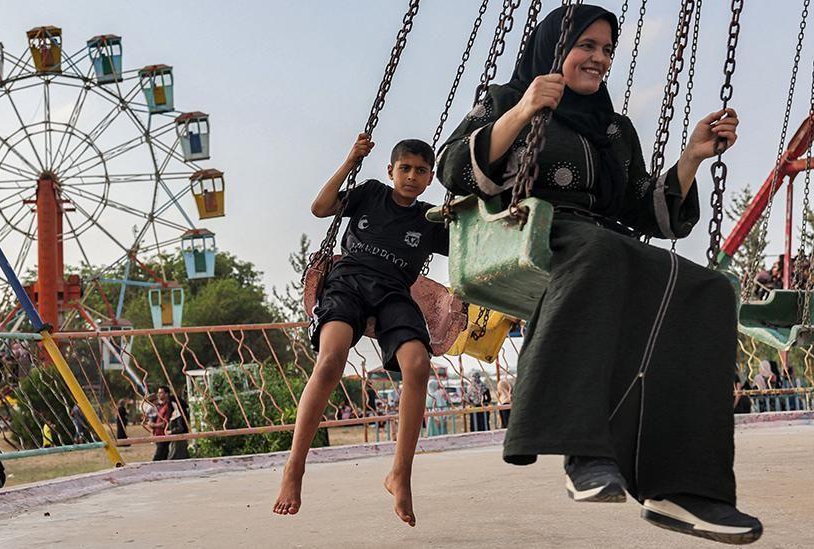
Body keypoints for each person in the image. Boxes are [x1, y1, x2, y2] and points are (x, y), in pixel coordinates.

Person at [436, 5, 760, 543]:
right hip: (533, 228)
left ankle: (684, 488)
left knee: (707, 289)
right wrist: (521, 112)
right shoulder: (501, 100)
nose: (599, 58)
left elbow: (644, 211)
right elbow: (452, 170)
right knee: (601, 252)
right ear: (553, 48)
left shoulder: (614, 129)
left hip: (603, 241)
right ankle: (583, 451)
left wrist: (692, 157)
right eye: (587, 45)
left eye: (607, 49)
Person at [274, 136, 450, 527]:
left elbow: (468, 244)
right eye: (404, 168)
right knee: (331, 361)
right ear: (390, 172)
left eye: (421, 171)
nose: (411, 176)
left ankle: (400, 473)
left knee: (418, 365)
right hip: (348, 283)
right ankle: (294, 467)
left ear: (430, 178)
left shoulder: (430, 219)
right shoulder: (370, 193)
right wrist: (351, 159)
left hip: (393, 294)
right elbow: (320, 208)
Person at [145, 387, 172, 461]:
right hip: (158, 435)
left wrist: (152, 425)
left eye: (161, 393)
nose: (159, 395)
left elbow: (164, 423)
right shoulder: (160, 406)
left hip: (163, 435)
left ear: (166, 394)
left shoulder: (168, 406)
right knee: (163, 458)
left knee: (157, 458)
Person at [166, 396, 190, 460]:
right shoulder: (175, 414)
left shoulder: (178, 415)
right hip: (175, 439)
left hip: (179, 439)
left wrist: (171, 431)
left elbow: (180, 428)